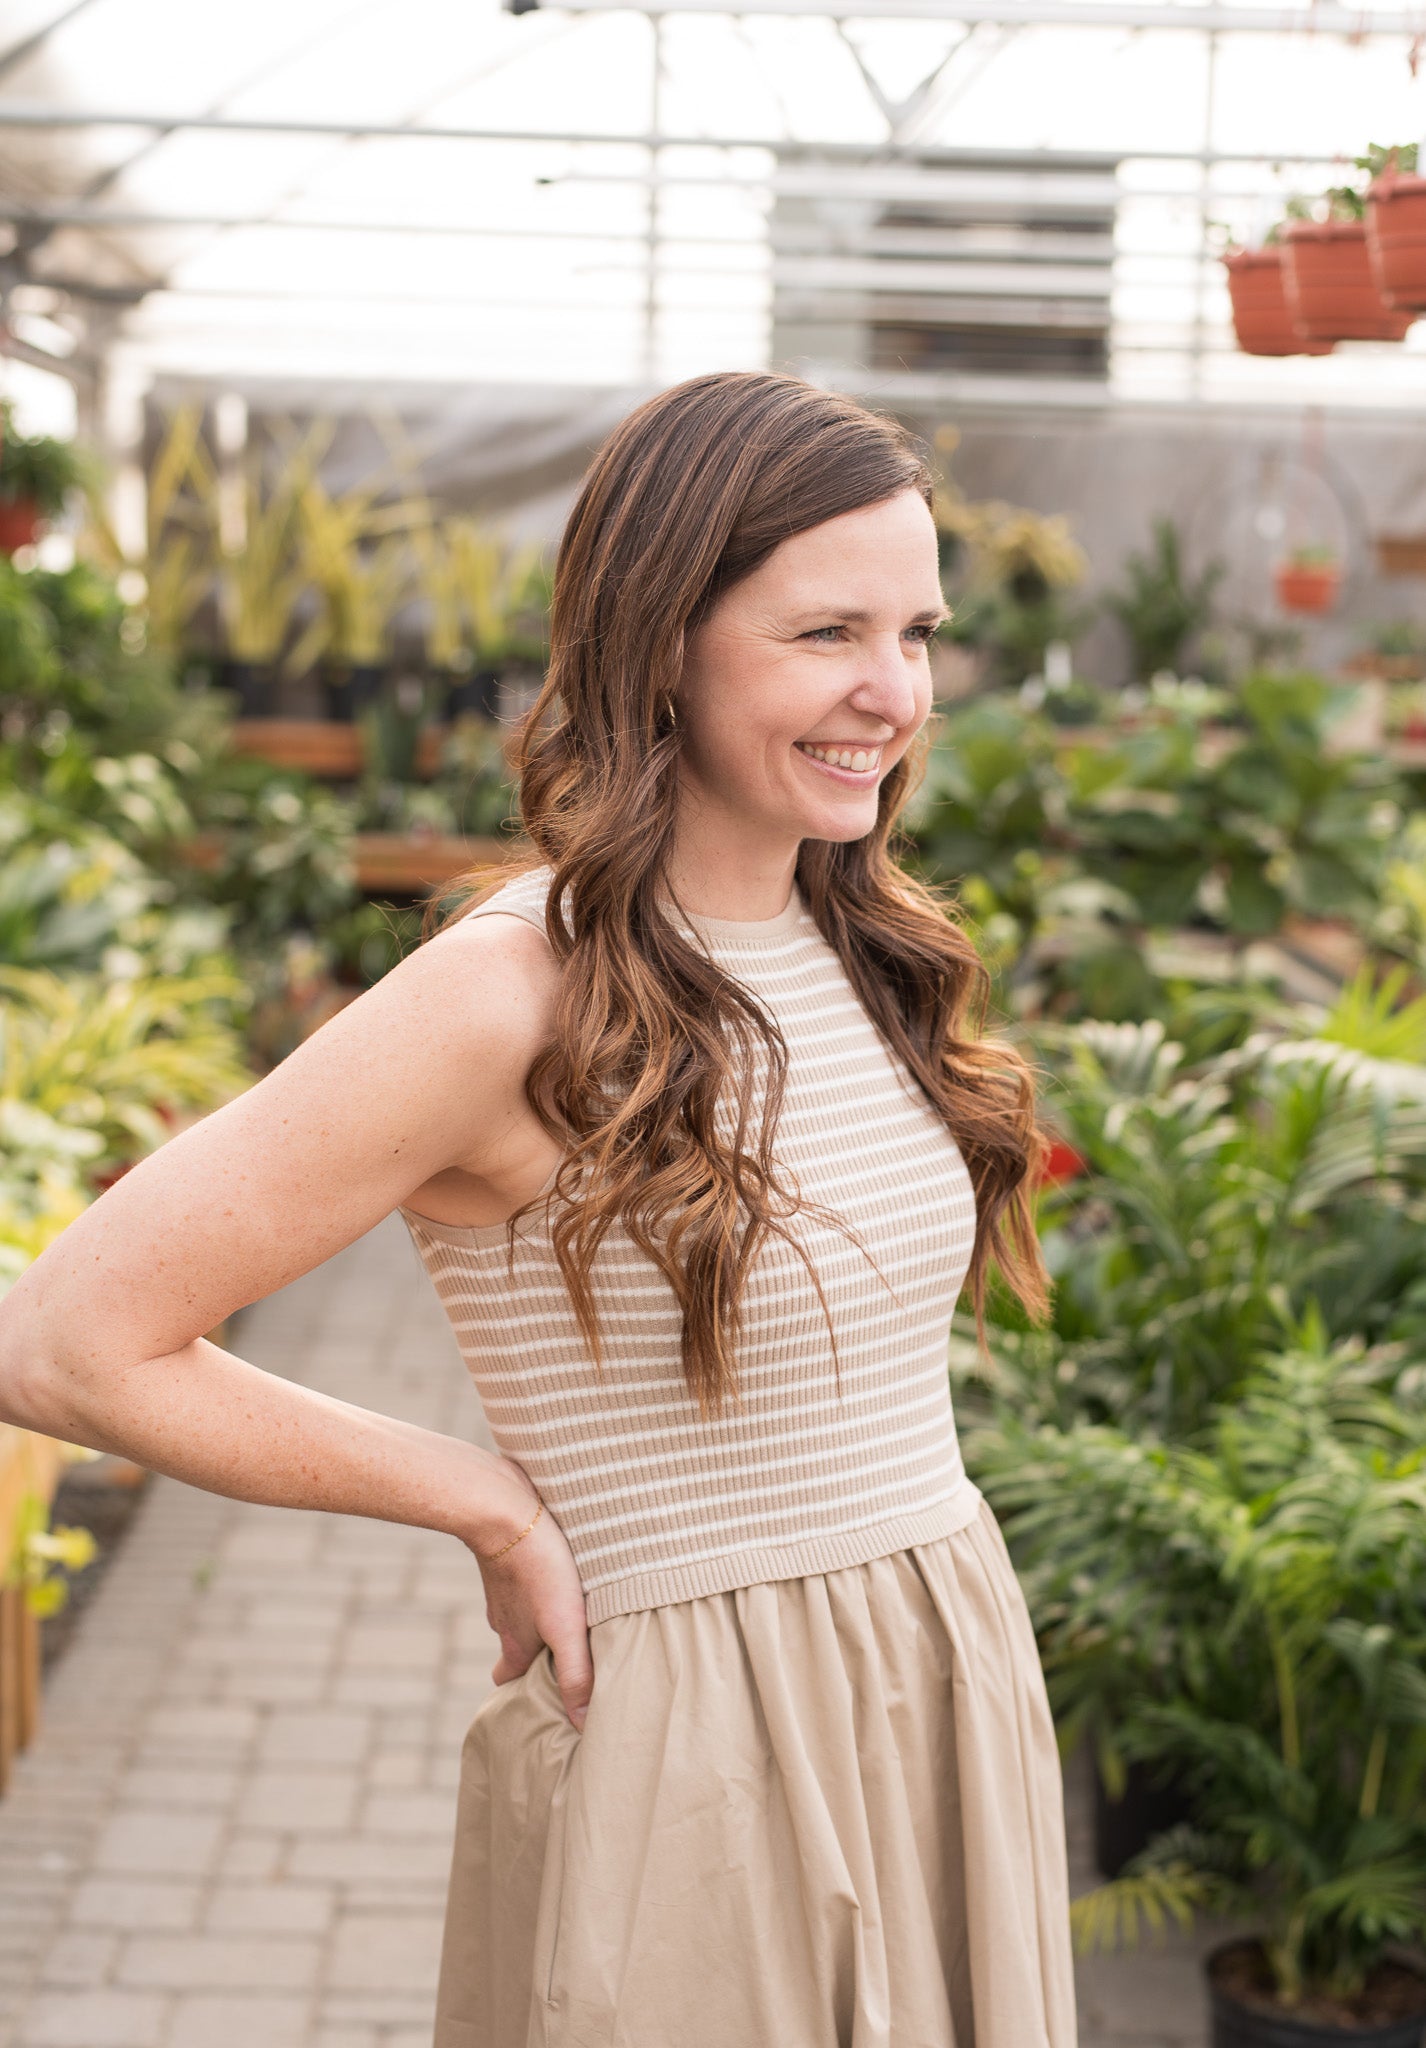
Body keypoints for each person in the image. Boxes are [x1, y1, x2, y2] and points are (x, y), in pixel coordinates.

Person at [0, 371, 1077, 2047]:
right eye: (824, 635)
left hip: (931, 1662)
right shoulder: (511, 992)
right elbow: (64, 1343)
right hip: (707, 1751)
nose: (893, 692)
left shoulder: (859, 939)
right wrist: (483, 1504)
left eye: (916, 632)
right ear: (658, 642)